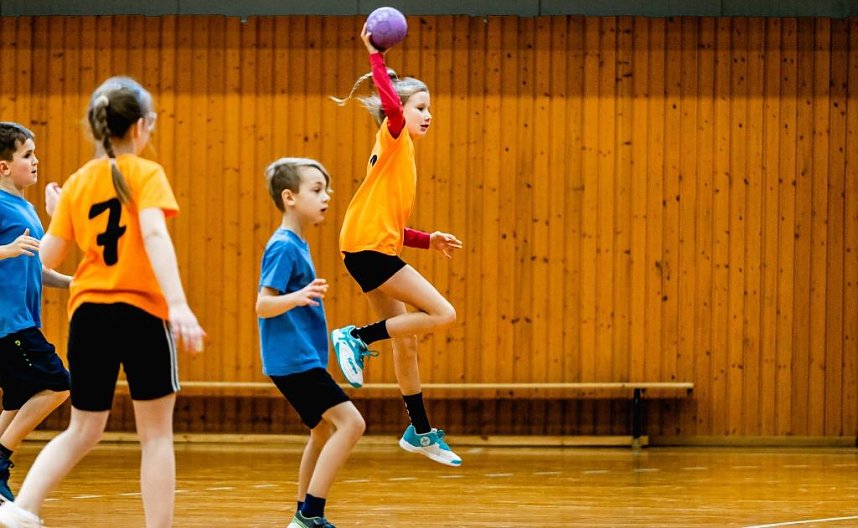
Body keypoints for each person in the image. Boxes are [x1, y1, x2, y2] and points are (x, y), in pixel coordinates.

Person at [0, 77, 205, 528]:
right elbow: (152, 234)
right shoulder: (146, 173)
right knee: (155, 437)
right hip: (141, 312)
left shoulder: (77, 183)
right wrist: (179, 304)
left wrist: (59, 218)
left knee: (82, 429)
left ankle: (22, 510)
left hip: (89, 314)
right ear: (140, 128)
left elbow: (44, 259)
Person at [330, 24, 463, 467]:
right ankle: (356, 336)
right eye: (420, 107)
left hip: (368, 246)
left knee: (406, 342)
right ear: (400, 113)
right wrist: (376, 57)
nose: (428, 115)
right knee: (443, 314)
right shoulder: (394, 138)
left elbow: (391, 225)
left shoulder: (400, 160)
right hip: (369, 251)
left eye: (430, 109)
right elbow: (389, 104)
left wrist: (427, 239)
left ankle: (420, 432)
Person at [256, 158, 365, 528]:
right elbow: (263, 304)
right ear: (289, 197)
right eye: (317, 190)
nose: (326, 197)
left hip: (300, 360)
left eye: (326, 190)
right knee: (352, 424)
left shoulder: (296, 243)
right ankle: (310, 514)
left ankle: (303, 514)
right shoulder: (284, 247)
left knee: (322, 429)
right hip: (294, 361)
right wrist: (297, 296)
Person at [0, 122, 72, 503]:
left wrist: (74, 283)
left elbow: (36, 267)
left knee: (16, 400)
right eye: (26, 155)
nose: (36, 160)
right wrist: (6, 251)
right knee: (58, 384)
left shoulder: (25, 206)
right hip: (6, 322)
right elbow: (13, 254)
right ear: (3, 166)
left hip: (22, 319)